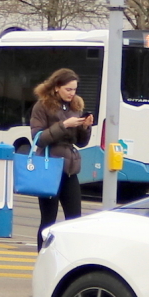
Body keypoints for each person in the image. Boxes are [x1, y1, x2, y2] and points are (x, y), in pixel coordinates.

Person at [27, 68, 94, 246]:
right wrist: (64, 125)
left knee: (74, 220)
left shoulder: (75, 106)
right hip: (49, 169)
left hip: (69, 170)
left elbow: (80, 142)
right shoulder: (42, 106)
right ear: (57, 87)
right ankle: (43, 254)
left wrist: (85, 128)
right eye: (68, 89)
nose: (72, 94)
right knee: (48, 220)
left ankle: (71, 258)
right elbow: (38, 138)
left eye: (74, 90)